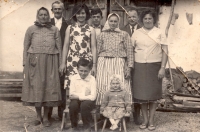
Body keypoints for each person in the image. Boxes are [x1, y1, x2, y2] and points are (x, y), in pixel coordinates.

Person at [21, 7, 62, 127]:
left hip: (51, 61)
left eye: (45, 14)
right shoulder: (30, 29)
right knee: (36, 88)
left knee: (49, 88)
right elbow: (25, 47)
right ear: (37, 16)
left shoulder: (54, 30)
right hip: (34, 62)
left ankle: (46, 117)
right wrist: (25, 63)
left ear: (49, 16)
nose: (43, 16)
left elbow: (59, 48)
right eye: (41, 15)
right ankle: (38, 117)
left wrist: (60, 64)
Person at [131, 10, 168, 131]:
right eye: (145, 19)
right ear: (142, 20)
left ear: (154, 20)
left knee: (153, 96)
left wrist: (162, 67)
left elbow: (165, 51)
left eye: (150, 19)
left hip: (154, 66)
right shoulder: (136, 33)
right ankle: (145, 120)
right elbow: (131, 50)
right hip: (139, 67)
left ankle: (151, 120)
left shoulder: (159, 32)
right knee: (141, 96)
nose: (147, 21)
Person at [96, 13, 133, 109]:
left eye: (115, 21)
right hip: (103, 63)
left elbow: (129, 51)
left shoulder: (124, 34)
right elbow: (97, 51)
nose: (113, 23)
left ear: (118, 22)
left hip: (119, 63)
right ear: (107, 21)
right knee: (103, 85)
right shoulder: (102, 34)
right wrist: (94, 66)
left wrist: (129, 67)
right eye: (111, 21)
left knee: (119, 85)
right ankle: (103, 112)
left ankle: (122, 111)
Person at [59, 3, 97, 90]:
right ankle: (73, 103)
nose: (81, 15)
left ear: (86, 14)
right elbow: (65, 46)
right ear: (75, 14)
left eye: (83, 13)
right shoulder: (70, 28)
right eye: (78, 13)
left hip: (86, 60)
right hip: (72, 60)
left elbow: (94, 48)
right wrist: (63, 63)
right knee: (73, 86)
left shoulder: (91, 29)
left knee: (86, 85)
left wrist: (94, 65)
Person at [121, 6, 141, 125]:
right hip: (125, 63)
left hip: (138, 63)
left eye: (134, 16)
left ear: (138, 17)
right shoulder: (122, 29)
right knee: (126, 87)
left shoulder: (143, 29)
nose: (132, 18)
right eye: (129, 16)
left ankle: (137, 115)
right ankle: (126, 114)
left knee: (137, 89)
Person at [48, 0, 68, 120]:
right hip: (49, 58)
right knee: (50, 85)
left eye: (59, 9)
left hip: (62, 59)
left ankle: (61, 115)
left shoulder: (68, 24)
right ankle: (48, 114)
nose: (57, 11)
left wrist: (63, 62)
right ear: (52, 10)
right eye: (55, 9)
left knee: (62, 86)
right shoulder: (47, 23)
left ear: (63, 10)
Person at [69, 58, 96, 131]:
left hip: (88, 102)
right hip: (79, 100)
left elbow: (93, 97)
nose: (83, 73)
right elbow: (71, 94)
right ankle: (74, 126)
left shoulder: (92, 79)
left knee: (84, 105)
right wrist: (85, 95)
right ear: (77, 69)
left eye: (86, 71)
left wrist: (78, 96)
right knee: (73, 105)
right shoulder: (74, 78)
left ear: (90, 70)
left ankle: (87, 126)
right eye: (81, 70)